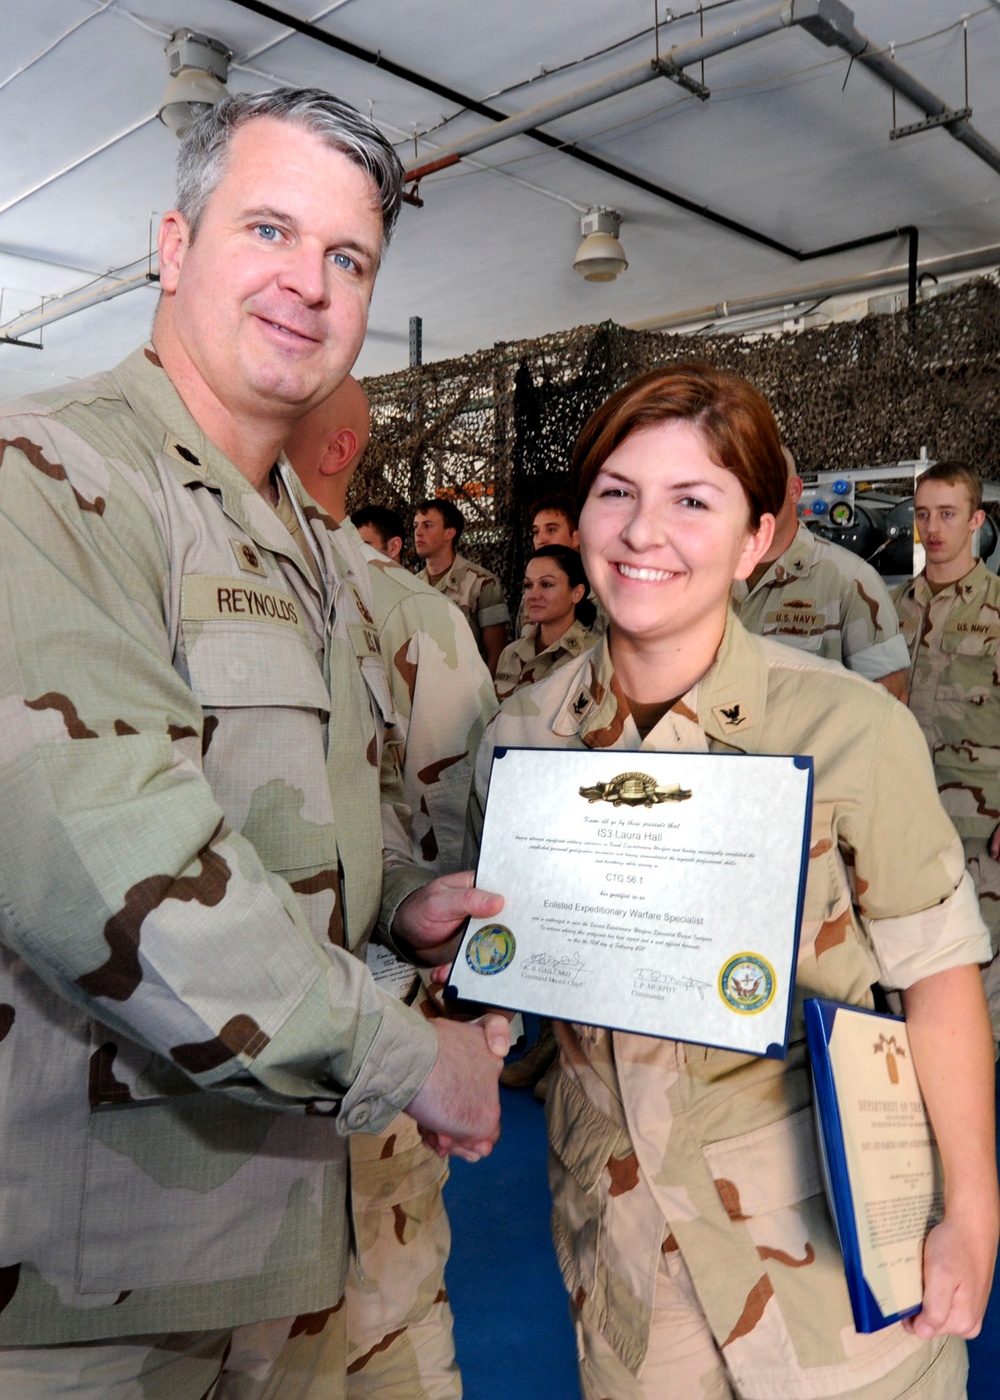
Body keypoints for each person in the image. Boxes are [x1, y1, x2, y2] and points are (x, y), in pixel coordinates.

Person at [0, 88, 508, 1399]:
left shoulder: (301, 545)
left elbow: (278, 817)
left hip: (280, 1248)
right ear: (174, 247)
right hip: (90, 1281)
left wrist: (402, 906)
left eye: (349, 257)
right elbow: (106, 850)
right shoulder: (47, 479)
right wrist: (411, 1056)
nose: (310, 282)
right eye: (270, 230)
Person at [468, 364, 997, 1400]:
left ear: (758, 537)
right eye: (615, 492)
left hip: (830, 1265)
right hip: (628, 1274)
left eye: (692, 499)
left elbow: (938, 976)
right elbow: (514, 978)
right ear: (576, 520)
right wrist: (470, 996)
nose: (641, 530)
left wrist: (972, 1214)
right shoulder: (522, 738)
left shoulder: (847, 729)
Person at [284, 373, 499, 1399]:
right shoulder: (420, 619)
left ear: (330, 449)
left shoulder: (412, 616)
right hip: (352, 1060)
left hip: (367, 1080)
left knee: (379, 1339)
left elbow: (460, 876)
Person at [893, 462, 1000, 1037]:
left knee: (980, 988)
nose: (933, 527)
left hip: (981, 826)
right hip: (905, 817)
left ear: (976, 520)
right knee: (908, 974)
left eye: (948, 514)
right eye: (924, 513)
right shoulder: (891, 607)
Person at [732, 447, 909, 699]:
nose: (756, 495)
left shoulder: (850, 580)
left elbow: (891, 703)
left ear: (795, 490)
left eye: (768, 482)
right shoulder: (711, 576)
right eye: (746, 484)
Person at [413, 498, 510, 675]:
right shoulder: (411, 586)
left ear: (449, 533)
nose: (418, 532)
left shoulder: (482, 583)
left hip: (468, 692)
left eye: (427, 525)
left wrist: (485, 700)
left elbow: (497, 655)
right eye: (416, 525)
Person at [494, 545, 597, 701]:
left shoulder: (594, 654)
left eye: (546, 584)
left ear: (577, 593)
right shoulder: (511, 654)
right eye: (528, 585)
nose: (533, 595)